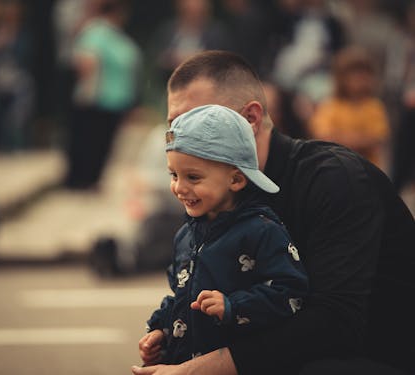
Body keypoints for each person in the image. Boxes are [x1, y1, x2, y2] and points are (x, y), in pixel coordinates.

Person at [131, 50, 415, 375]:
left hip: (375, 357)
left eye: (200, 120)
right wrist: (166, 337)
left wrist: (199, 370)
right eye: (175, 126)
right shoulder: (214, 197)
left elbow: (334, 323)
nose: (183, 136)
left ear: (251, 118)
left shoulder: (335, 179)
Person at [139, 104, 309, 366]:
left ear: (236, 180)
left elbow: (292, 294)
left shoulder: (262, 230)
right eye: (174, 175)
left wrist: (233, 306)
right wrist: (161, 330)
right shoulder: (186, 234)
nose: (179, 188)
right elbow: (180, 294)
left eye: (193, 177)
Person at [65, 0, 142, 189]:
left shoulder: (114, 34)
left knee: (101, 144)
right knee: (91, 143)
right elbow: (86, 63)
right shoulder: (95, 31)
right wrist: (89, 93)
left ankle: (92, 180)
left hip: (113, 100)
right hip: (97, 99)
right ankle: (84, 180)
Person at [308, 45, 390, 168]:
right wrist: (360, 139)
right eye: (354, 75)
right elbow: (324, 137)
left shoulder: (374, 106)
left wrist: (344, 139)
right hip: (335, 166)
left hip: (368, 168)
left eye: (365, 75)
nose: (360, 80)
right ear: (341, 78)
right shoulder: (330, 105)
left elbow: (377, 138)